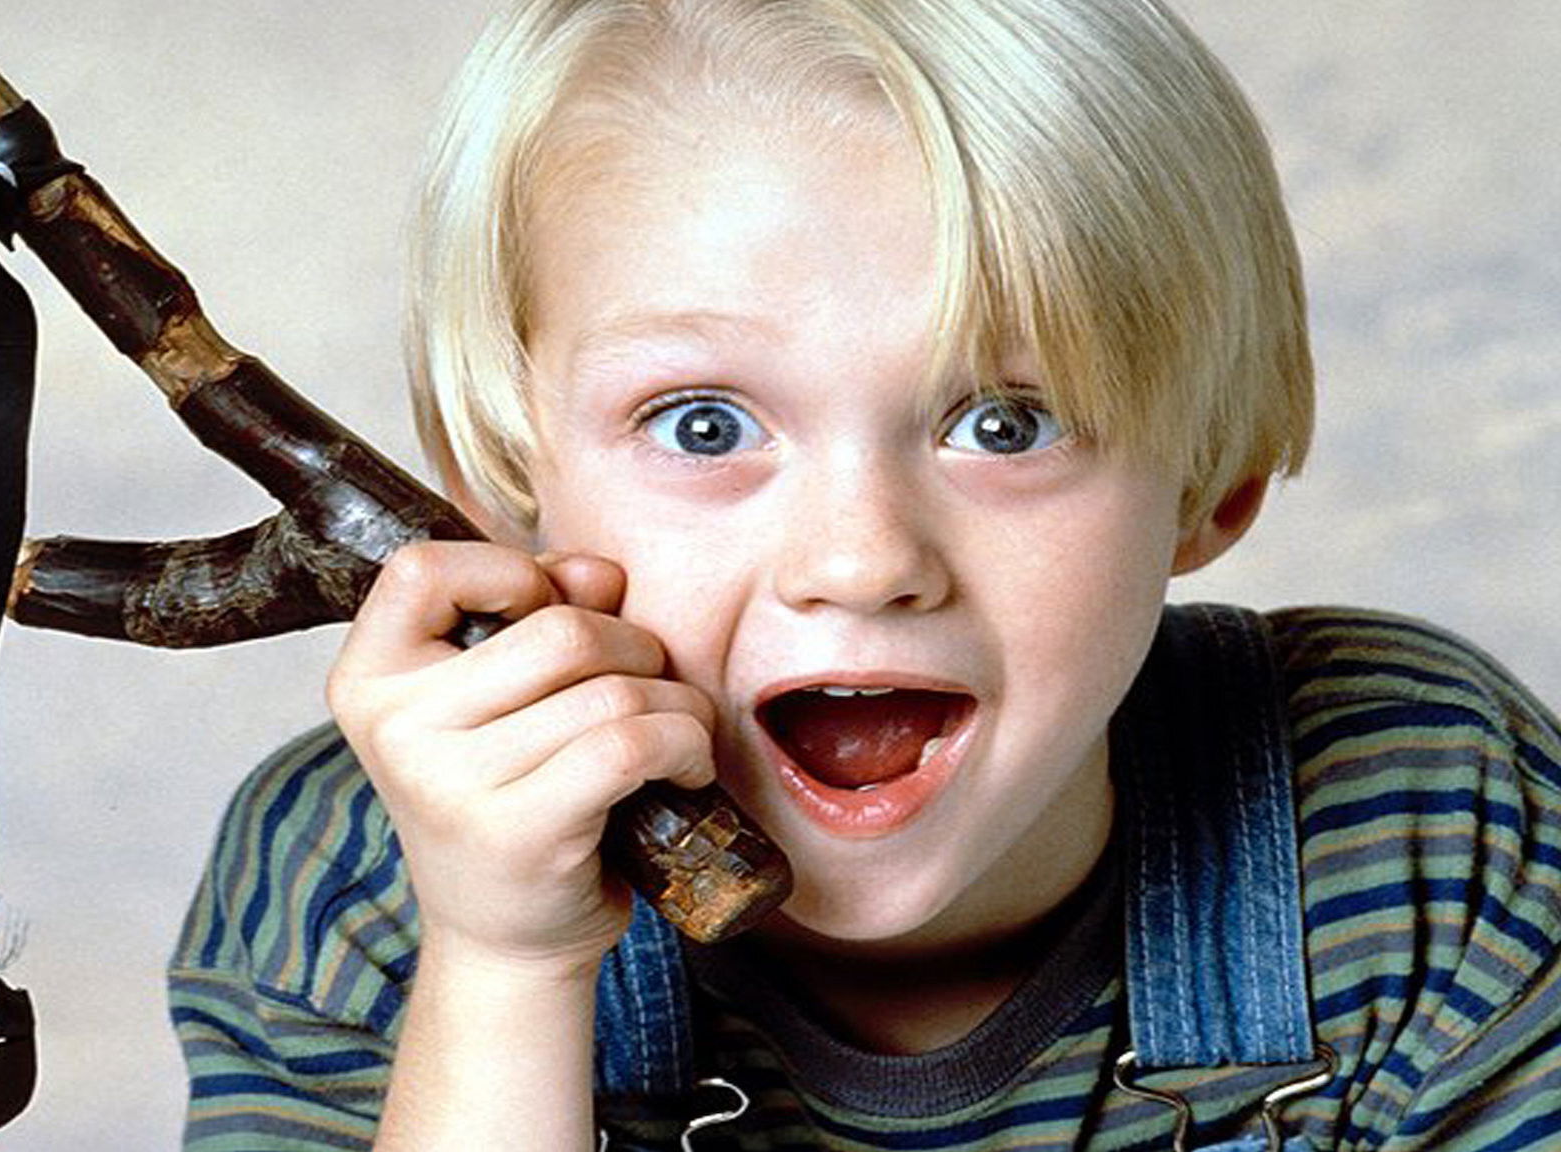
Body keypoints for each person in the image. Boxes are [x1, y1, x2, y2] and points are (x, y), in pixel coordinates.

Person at [168, 0, 1561, 1147]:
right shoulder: (351, 886)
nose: (862, 560)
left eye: (1004, 424)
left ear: (1211, 482)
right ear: (500, 480)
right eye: (702, 425)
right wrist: (504, 970)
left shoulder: (1425, 819)